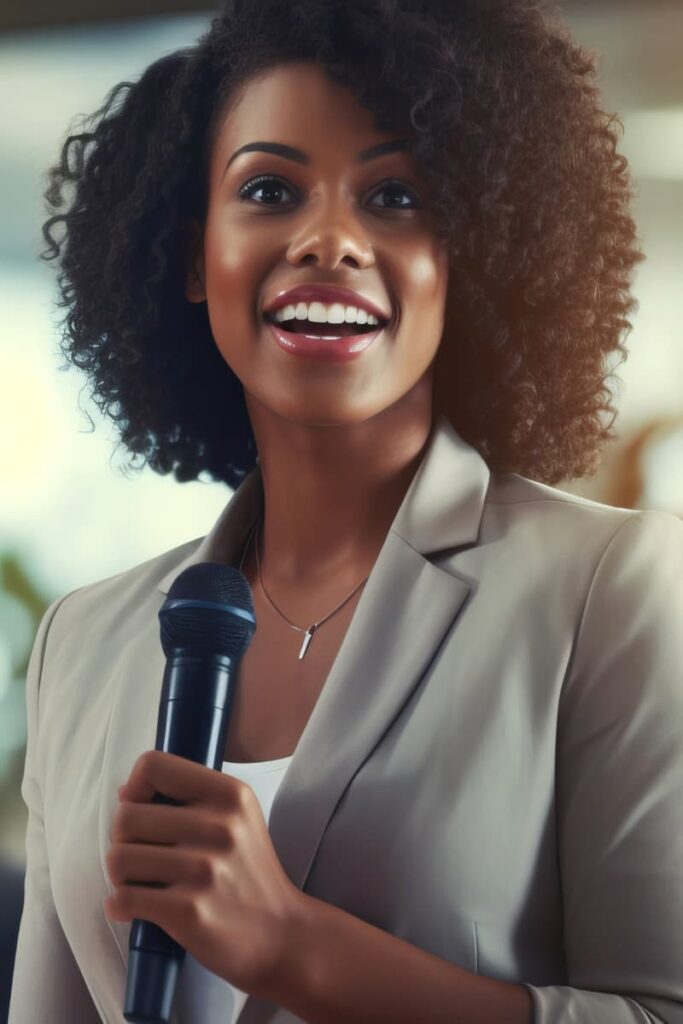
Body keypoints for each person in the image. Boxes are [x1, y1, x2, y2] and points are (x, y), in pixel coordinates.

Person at [9, 0, 683, 1022]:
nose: (329, 239)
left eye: (396, 195)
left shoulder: (611, 589)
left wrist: (292, 945)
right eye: (271, 190)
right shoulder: (85, 639)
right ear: (194, 256)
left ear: (477, 253)